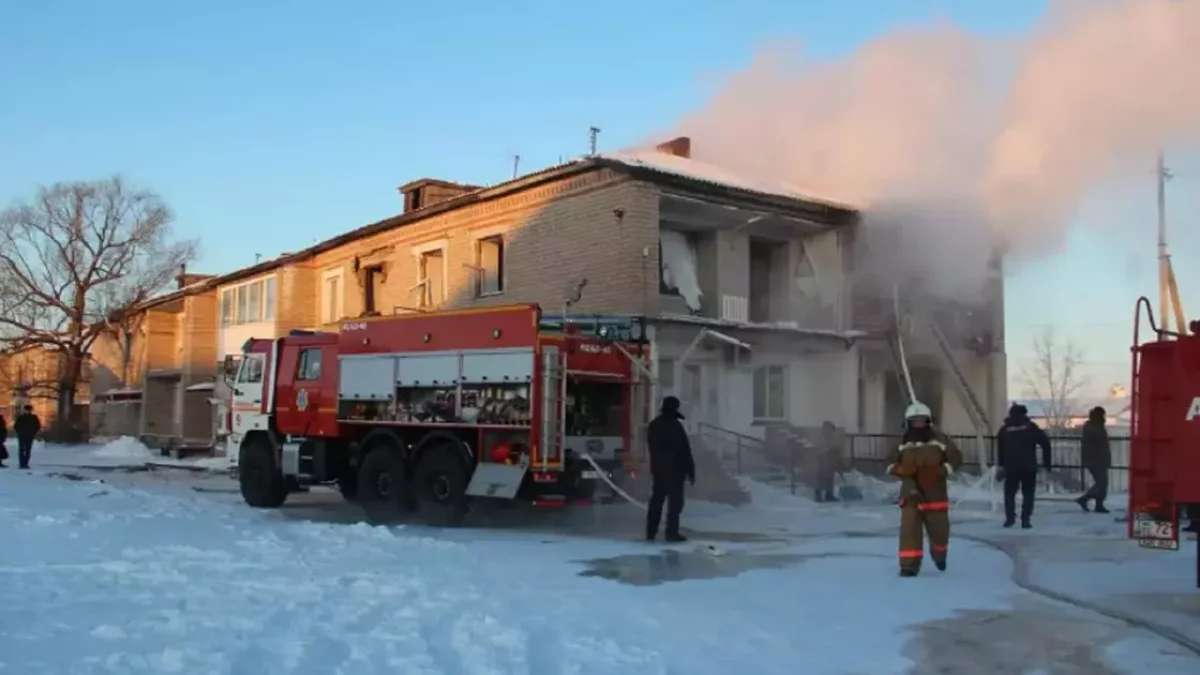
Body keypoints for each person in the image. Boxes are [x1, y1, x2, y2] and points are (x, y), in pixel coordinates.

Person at [886, 402, 963, 577]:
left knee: (939, 532)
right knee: (909, 531)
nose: (918, 425)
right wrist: (899, 470)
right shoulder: (901, 443)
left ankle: (939, 554)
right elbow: (888, 463)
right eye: (915, 421)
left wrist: (941, 471)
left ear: (929, 422)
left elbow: (956, 459)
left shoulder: (941, 440)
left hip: (935, 493)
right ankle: (909, 566)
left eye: (922, 421)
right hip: (910, 494)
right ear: (907, 423)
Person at [645, 396, 695, 543]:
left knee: (657, 501)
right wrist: (690, 471)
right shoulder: (675, 426)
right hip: (675, 471)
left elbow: (651, 446)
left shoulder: (654, 425)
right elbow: (684, 450)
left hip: (658, 470)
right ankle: (671, 533)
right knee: (675, 504)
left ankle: (651, 531)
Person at [995, 403, 1052, 529]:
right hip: (1028, 467)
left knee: (1009, 493)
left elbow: (1000, 450)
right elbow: (1045, 443)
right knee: (1028, 494)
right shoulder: (1031, 428)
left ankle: (1010, 518)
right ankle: (1025, 519)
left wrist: (1001, 465)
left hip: (1011, 467)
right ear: (1024, 414)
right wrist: (1047, 463)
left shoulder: (1004, 430)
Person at [1074, 406, 1111, 514]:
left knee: (1101, 483)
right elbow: (1098, 445)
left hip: (1096, 459)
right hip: (1097, 459)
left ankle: (1096, 503)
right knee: (1101, 483)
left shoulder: (1092, 426)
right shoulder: (1095, 427)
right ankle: (1086, 500)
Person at [814, 421, 842, 502]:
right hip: (821, 463)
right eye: (830, 430)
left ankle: (829, 494)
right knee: (821, 479)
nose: (831, 432)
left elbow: (834, 448)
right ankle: (818, 495)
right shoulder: (821, 438)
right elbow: (819, 449)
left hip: (830, 463)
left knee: (830, 479)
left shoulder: (831, 438)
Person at [14, 405, 41, 470]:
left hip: (28, 436)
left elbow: (37, 426)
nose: (27, 411)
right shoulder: (22, 417)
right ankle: (22, 463)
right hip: (24, 436)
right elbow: (16, 426)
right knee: (23, 449)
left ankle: (24, 463)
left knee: (26, 450)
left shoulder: (32, 417)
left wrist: (33, 432)